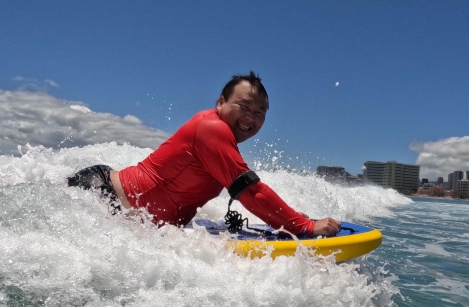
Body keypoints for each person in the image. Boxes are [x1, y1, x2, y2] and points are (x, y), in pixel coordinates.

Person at [68, 72, 341, 237]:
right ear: (221, 102)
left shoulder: (222, 139)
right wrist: (302, 226)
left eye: (259, 113)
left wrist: (288, 218)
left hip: (119, 205)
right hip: (103, 195)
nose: (251, 118)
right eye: (244, 107)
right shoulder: (211, 128)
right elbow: (251, 191)